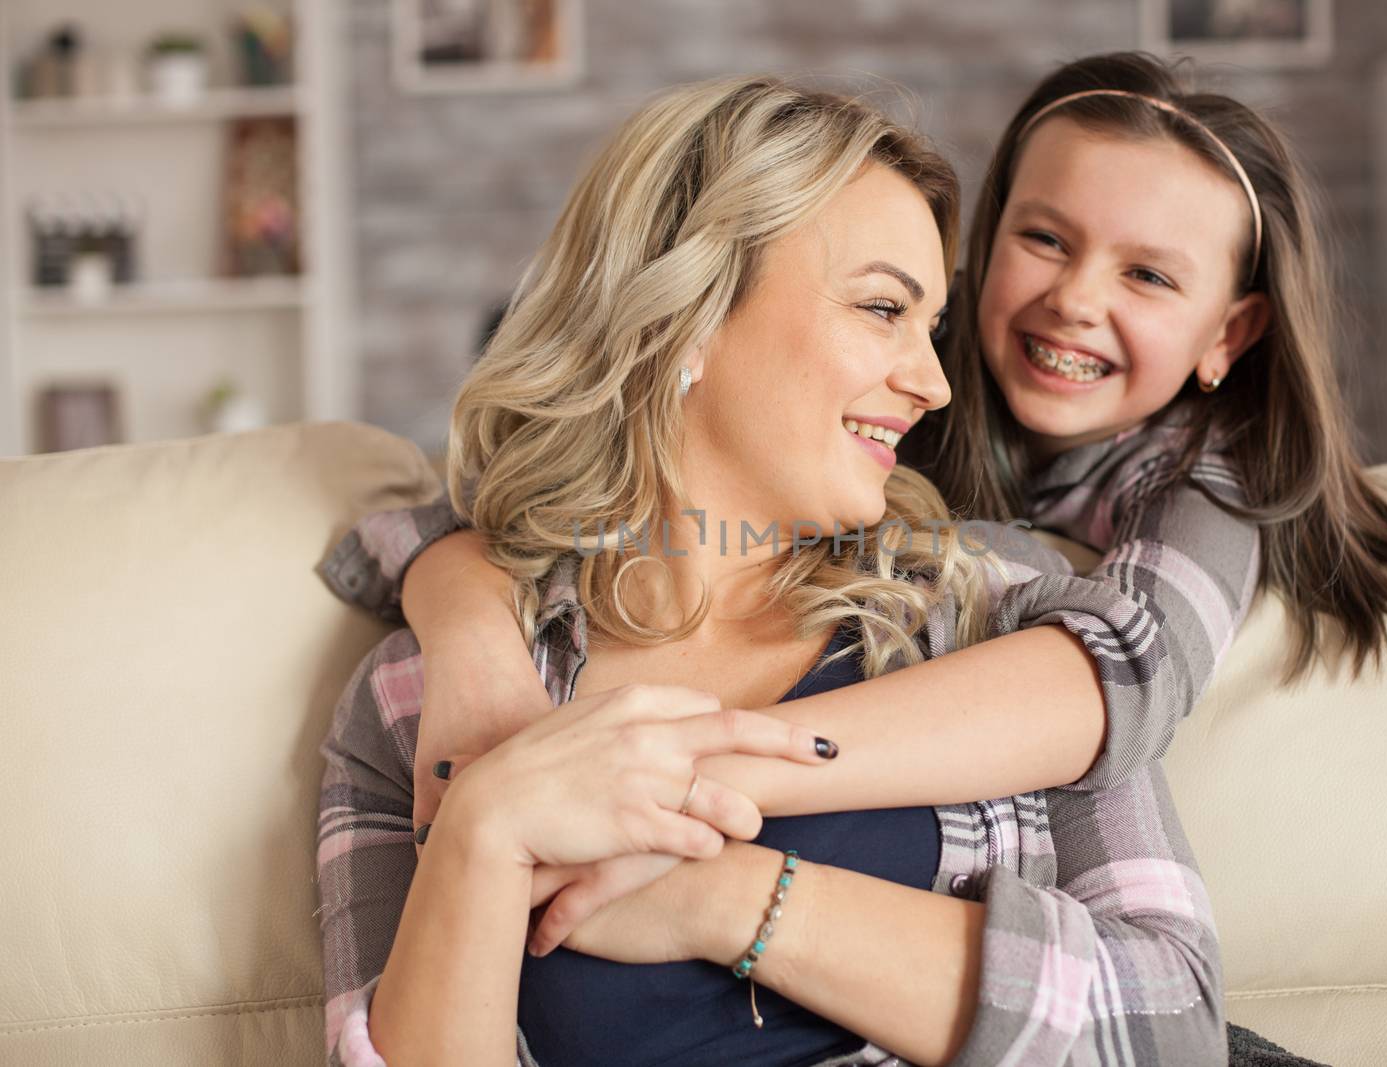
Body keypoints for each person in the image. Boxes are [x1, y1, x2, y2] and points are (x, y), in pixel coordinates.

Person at [325, 52, 1387, 946]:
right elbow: (509, 497)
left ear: (1229, 333)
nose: (1071, 300)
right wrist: (473, 621)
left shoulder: (1205, 480)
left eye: (1149, 275)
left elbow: (1124, 670)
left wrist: (687, 772)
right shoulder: (903, 371)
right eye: (1043, 239)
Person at [318, 75, 1226, 1066]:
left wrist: (723, 895)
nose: (930, 381)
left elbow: (1171, 1028)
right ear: (685, 319)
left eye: (931, 327)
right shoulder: (417, 698)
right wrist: (485, 825)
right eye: (883, 307)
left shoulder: (989, 607)